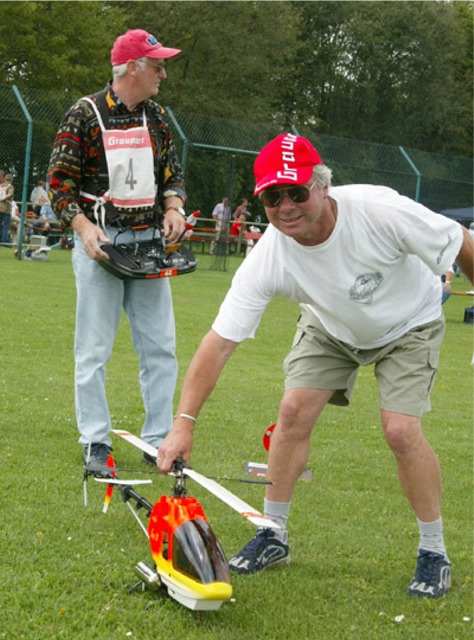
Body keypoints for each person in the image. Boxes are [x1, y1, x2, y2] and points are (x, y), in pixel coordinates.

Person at [157, 133, 474, 599]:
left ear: (323, 187)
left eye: (297, 192)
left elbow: (460, 240)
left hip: (410, 322)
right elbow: (219, 343)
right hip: (330, 325)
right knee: (292, 412)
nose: (286, 207)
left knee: (401, 430)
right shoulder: (270, 256)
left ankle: (433, 550)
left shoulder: (380, 211)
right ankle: (273, 533)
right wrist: (183, 423)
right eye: (272, 197)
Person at [48, 29, 187, 469]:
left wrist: (174, 207)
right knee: (93, 350)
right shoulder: (84, 114)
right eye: (157, 66)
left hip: (149, 246)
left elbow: (172, 173)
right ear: (131, 68)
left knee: (161, 348)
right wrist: (82, 226)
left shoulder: (158, 117)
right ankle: (96, 442)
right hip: (102, 247)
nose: (163, 73)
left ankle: (158, 442)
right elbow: (59, 183)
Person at [0, 172, 14, 245]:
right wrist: (3, 199)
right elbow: (10, 194)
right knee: (6, 225)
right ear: (11, 180)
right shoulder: (10, 186)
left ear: (5, 179)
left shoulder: (1, 186)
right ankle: (4, 241)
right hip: (6, 208)